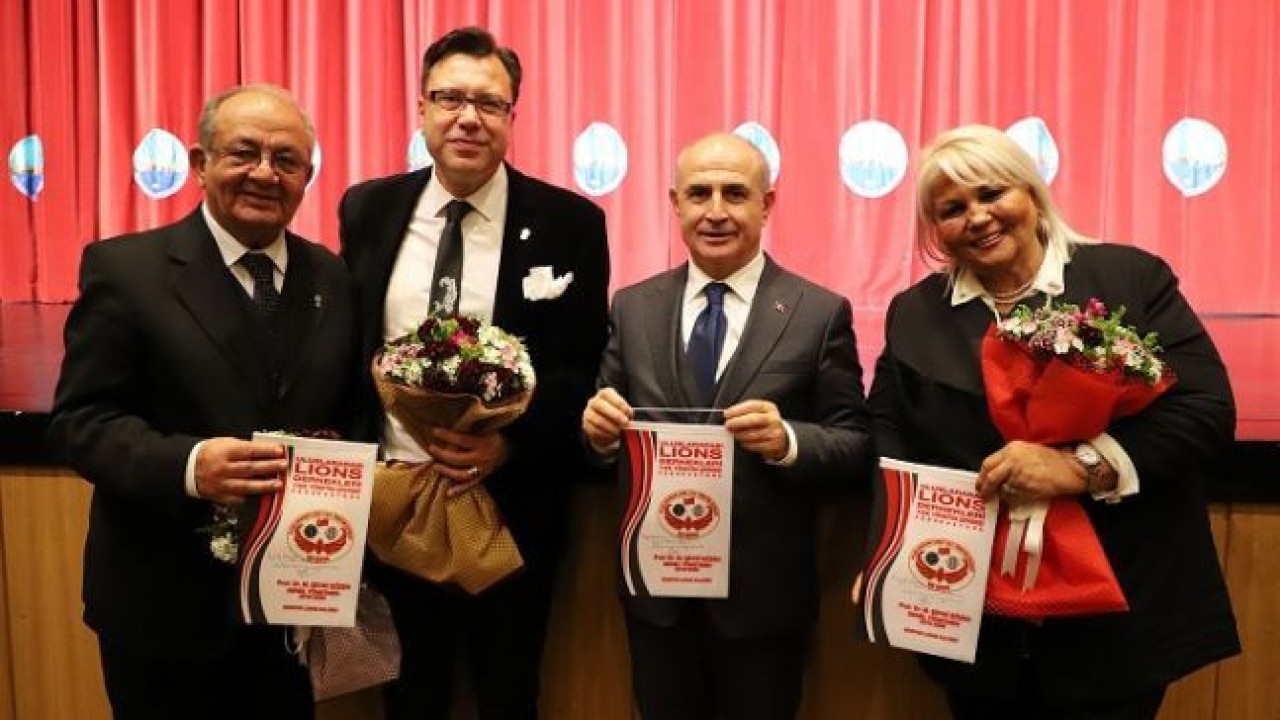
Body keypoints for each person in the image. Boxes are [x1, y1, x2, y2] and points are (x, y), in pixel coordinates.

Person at [867, 123, 1240, 719]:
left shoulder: (1129, 278)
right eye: (952, 209)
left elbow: (1205, 410)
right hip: (975, 623)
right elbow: (888, 437)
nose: (978, 217)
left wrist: (1079, 467)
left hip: (1117, 618)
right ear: (935, 229)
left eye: (992, 193)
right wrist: (886, 553)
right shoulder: (914, 312)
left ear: (1031, 193)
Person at [46, 84, 356, 719]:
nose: (265, 173)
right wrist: (189, 467)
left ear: (307, 177)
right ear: (199, 162)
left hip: (290, 608)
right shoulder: (126, 271)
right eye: (244, 152)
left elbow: (345, 414)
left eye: (286, 160)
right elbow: (81, 424)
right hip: (164, 612)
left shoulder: (332, 276)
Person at [338, 26, 610, 720]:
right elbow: (352, 347)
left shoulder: (571, 222)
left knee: (509, 695)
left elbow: (581, 368)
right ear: (422, 108)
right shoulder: (368, 208)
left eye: (489, 103)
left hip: (510, 510)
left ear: (513, 116)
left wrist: (508, 443)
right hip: (393, 507)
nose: (468, 118)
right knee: (410, 700)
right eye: (450, 98)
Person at [582, 132, 876, 720]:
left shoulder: (818, 312)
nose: (715, 211)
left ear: (767, 204)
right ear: (675, 204)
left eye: (735, 194)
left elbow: (855, 443)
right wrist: (597, 434)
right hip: (657, 597)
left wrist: (789, 441)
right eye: (699, 193)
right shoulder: (632, 307)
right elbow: (601, 437)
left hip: (762, 601)